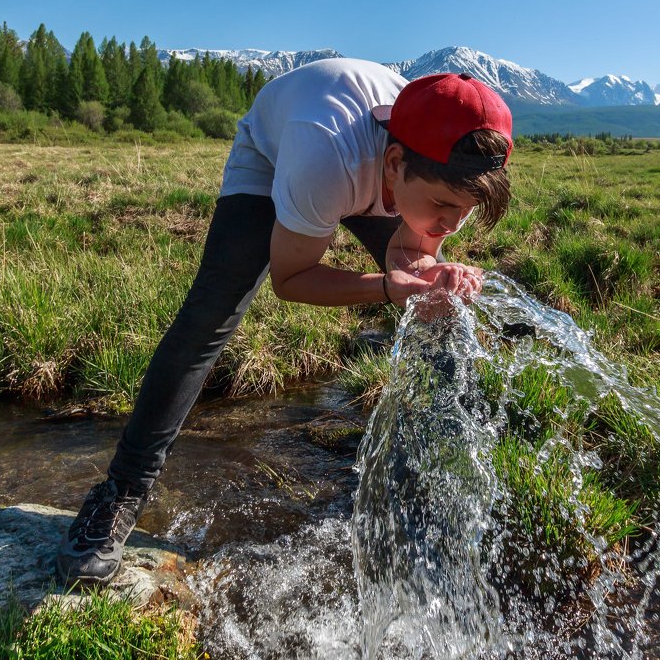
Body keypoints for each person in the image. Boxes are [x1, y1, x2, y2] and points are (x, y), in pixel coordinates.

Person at [56, 57, 514, 587]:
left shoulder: (443, 149)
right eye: (444, 206)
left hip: (364, 166)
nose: (454, 224)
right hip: (279, 153)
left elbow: (412, 249)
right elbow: (291, 278)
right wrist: (387, 288)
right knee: (209, 318)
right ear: (394, 163)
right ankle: (120, 494)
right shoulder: (325, 157)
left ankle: (432, 488)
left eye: (467, 209)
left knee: (440, 312)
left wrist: (431, 279)